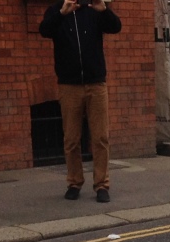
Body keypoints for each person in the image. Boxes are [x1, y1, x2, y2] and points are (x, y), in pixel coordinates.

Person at [40, 0, 122, 203]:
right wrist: (61, 13)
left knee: (100, 137)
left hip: (96, 83)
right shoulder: (56, 10)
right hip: (69, 85)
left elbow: (115, 27)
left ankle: (102, 185)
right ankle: (74, 182)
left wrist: (105, 11)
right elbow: (44, 30)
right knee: (71, 138)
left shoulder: (94, 10)